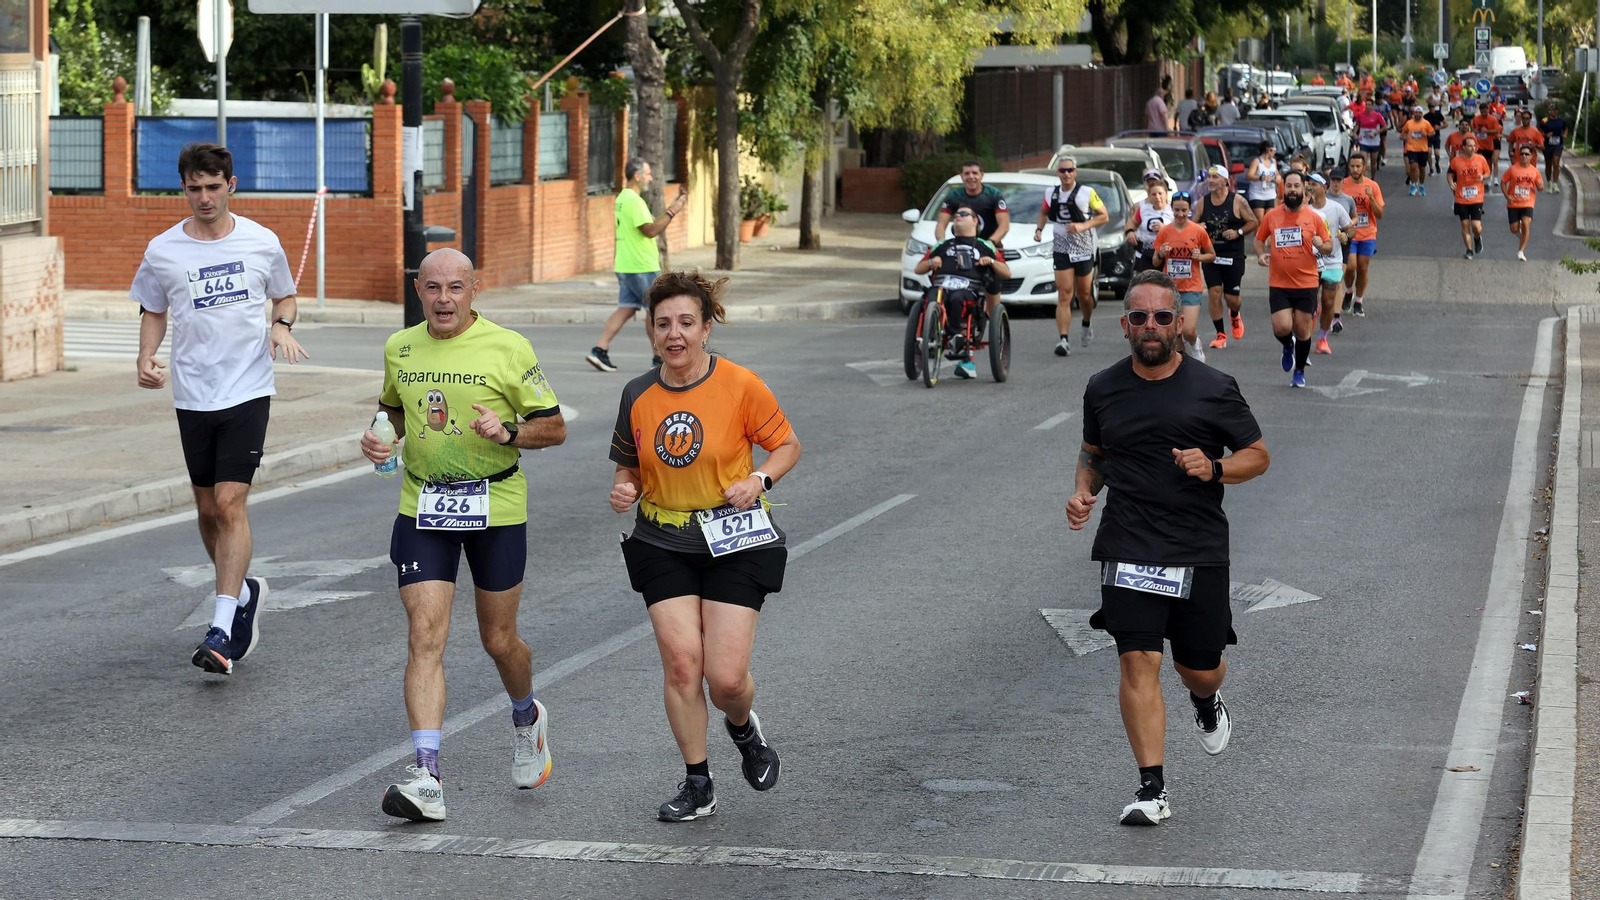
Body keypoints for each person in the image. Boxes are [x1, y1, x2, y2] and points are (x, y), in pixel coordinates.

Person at [361, 247, 568, 822]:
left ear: (474, 289)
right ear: (418, 291)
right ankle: (426, 776)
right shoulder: (400, 348)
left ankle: (527, 716)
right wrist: (382, 436)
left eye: (456, 288)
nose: (444, 299)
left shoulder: (508, 348)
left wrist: (507, 432)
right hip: (425, 503)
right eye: (433, 288)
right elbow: (393, 411)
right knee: (425, 633)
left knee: (499, 641)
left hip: (496, 505)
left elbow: (554, 429)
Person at [1067, 268, 1270, 826]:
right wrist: (1084, 492)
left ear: (1180, 323)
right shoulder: (1102, 387)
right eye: (1139, 317)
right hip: (1128, 542)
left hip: (1198, 548)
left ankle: (1206, 701)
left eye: (1163, 316)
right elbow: (1095, 453)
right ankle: (1151, 788)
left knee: (1198, 667)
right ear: (1124, 325)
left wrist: (1217, 466)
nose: (1151, 326)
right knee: (1137, 659)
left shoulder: (1213, 387)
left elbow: (1258, 455)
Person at [609, 270, 802, 822]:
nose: (675, 334)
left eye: (686, 323)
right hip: (661, 538)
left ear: (707, 327)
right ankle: (699, 783)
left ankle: (743, 728)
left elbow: (787, 444)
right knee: (679, 665)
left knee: (726, 678)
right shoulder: (637, 393)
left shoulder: (740, 385)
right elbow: (630, 463)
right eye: (663, 323)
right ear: (650, 331)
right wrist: (625, 487)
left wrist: (760, 480)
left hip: (732, 537)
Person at [131, 142, 308, 676]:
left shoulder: (261, 240)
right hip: (193, 393)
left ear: (231, 185)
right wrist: (145, 355)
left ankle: (222, 627)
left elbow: (286, 297)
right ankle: (244, 589)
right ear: (182, 188)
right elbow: (153, 308)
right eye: (194, 188)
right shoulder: (163, 250)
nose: (204, 197)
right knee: (208, 510)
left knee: (231, 504)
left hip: (249, 389)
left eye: (213, 187)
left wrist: (281, 325)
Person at [587, 157, 687, 373]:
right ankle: (658, 357)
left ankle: (599, 349)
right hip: (640, 266)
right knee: (655, 309)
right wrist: (673, 210)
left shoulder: (623, 198)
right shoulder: (633, 201)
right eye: (648, 174)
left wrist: (672, 208)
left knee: (627, 307)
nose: (651, 178)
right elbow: (650, 230)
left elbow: (649, 224)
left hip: (626, 264)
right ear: (637, 175)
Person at [1253, 170, 1330, 388]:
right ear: (1283, 188)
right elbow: (1259, 240)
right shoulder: (1272, 216)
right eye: (1289, 186)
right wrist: (1260, 255)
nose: (1293, 190)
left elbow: (1329, 245)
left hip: (1307, 283)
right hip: (1279, 282)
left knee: (1303, 329)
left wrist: (1320, 244)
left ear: (1303, 189)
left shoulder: (1314, 218)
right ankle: (1288, 346)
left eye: (1297, 186)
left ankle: (1299, 371)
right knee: (1281, 327)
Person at [917, 205, 1012, 378]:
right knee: (933, 295)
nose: (958, 216)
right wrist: (932, 262)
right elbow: (918, 269)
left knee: (958, 298)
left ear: (975, 221)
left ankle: (955, 338)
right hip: (941, 285)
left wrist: (990, 261)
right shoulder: (941, 245)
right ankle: (926, 337)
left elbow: (1006, 272)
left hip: (969, 288)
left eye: (963, 214)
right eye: (956, 214)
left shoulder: (986, 246)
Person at [1035, 156, 1109, 358]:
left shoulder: (1087, 193)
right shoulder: (1051, 192)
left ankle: (1086, 323)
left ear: (1075, 172)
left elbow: (1104, 216)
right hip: (1061, 248)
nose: (1066, 174)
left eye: (1070, 170)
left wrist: (1083, 226)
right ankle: (1063, 339)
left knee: (1084, 295)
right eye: (1062, 171)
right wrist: (1039, 229)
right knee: (1064, 293)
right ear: (1058, 173)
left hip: (1082, 247)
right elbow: (1043, 212)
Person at [936, 160, 1011, 317]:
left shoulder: (993, 195)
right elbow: (941, 224)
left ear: (981, 175)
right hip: (962, 245)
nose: (971, 177)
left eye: (975, 173)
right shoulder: (954, 196)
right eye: (967, 173)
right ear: (962, 177)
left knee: (993, 283)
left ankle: (992, 317)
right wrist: (941, 243)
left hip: (988, 245)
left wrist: (989, 243)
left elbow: (1004, 225)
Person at [1197, 164, 1258, 351]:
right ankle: (1220, 335)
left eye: (1215, 177)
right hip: (1211, 254)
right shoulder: (1203, 202)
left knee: (1231, 298)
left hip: (1233, 255)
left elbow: (1254, 221)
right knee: (1214, 293)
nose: (1211, 181)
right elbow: (1192, 225)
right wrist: (1200, 226)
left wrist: (1238, 231)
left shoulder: (1237, 201)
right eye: (1209, 177)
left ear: (1225, 181)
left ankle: (1235, 314)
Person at [1150, 192, 1216, 361]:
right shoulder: (1165, 232)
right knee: (1174, 331)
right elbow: (1155, 261)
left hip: (1191, 287)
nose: (1180, 214)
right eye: (1177, 210)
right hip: (1170, 288)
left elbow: (1212, 255)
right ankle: (1184, 364)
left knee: (1187, 330)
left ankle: (1195, 344)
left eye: (1184, 210)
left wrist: (1199, 257)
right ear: (1171, 209)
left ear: (1190, 210)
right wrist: (1161, 254)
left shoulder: (1198, 231)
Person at [1305, 173, 1353, 355]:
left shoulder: (1337, 208)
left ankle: (1322, 339)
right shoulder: (1304, 209)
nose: (1310, 187)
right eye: (1308, 184)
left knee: (1328, 302)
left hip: (1332, 262)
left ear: (1324, 188)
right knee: (1309, 304)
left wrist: (1345, 236)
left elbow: (1351, 230)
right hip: (1310, 262)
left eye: (1314, 184)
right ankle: (1305, 338)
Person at [1342, 154, 1384, 317]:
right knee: (1351, 267)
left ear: (1364, 167)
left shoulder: (1372, 186)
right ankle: (1348, 291)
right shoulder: (1343, 185)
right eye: (1352, 166)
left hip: (1368, 233)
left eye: (1358, 166)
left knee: (1363, 268)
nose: (1355, 170)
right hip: (1349, 233)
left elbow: (1380, 214)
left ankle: (1358, 300)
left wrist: (1371, 198)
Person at [1323, 168, 1357, 334]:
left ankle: (1336, 317)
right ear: (1329, 182)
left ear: (1344, 182)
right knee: (1319, 284)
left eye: (1339, 180)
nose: (1336, 183)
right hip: (1321, 246)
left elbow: (1353, 221)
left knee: (1337, 282)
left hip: (1341, 245)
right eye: (1333, 180)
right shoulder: (1322, 199)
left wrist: (1346, 234)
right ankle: (1320, 311)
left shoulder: (1348, 200)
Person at [1501, 145, 1545, 261]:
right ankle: (1522, 232)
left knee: (1526, 223)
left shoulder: (1534, 171)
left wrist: (1540, 186)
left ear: (1531, 156)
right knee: (1514, 229)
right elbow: (1503, 182)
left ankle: (1521, 251)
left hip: (1528, 202)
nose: (1524, 156)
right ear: (1518, 156)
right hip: (1514, 203)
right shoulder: (1512, 169)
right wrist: (1507, 196)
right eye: (1522, 154)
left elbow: (1540, 186)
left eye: (1526, 154)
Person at [1448, 135, 1490, 260]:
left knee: (1476, 226)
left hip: (1477, 197)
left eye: (1474, 146)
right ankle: (1469, 250)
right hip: (1461, 197)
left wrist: (1483, 177)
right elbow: (1450, 174)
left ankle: (1477, 238)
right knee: (1465, 224)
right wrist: (1451, 183)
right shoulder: (1456, 161)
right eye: (1470, 146)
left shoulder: (1481, 159)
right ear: (1464, 147)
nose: (1472, 148)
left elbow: (1488, 172)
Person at [1124, 171, 1173, 274]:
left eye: (1160, 193)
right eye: (1154, 194)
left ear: (1166, 194)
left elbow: (1183, 229)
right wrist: (1130, 232)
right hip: (1146, 252)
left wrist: (1165, 228)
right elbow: (1131, 223)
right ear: (1149, 196)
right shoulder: (1142, 209)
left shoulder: (1173, 210)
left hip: (1166, 253)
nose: (1157, 197)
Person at [1401, 107, 1435, 195]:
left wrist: (1426, 134)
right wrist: (1405, 137)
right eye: (1416, 112)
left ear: (1422, 114)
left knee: (1422, 168)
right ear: (1414, 114)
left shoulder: (1426, 123)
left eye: (1419, 113)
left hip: (1423, 149)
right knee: (1413, 167)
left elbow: (1432, 133)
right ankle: (1413, 185)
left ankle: (1421, 185)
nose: (1418, 114)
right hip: (1411, 148)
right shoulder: (1409, 123)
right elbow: (1402, 134)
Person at [1471, 103, 1504, 186]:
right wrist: (1476, 130)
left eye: (1485, 112)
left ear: (1488, 110)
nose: (1483, 114)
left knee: (1489, 162)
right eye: (1482, 112)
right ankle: (1479, 176)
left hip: (1489, 144)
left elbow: (1496, 131)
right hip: (1479, 143)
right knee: (1479, 160)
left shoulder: (1492, 119)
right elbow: (1473, 129)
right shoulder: (1476, 118)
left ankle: (1488, 177)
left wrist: (1487, 131)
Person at [1245, 141, 1279, 214]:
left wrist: (1277, 178)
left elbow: (1277, 174)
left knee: (1270, 218)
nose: (1275, 153)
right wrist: (1260, 178)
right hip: (1257, 195)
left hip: (1271, 194)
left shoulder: (1273, 161)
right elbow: (1249, 176)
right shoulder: (1257, 161)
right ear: (1269, 150)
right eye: (1274, 150)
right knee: (1261, 221)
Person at [1540, 100, 1567, 193]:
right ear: (1549, 111)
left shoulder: (1561, 120)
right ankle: (1549, 183)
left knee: (1556, 163)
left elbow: (1565, 128)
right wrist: (1545, 135)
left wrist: (1565, 134)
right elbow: (1540, 131)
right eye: (1552, 110)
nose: (1554, 111)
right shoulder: (1544, 120)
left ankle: (1555, 184)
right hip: (1547, 145)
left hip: (1558, 145)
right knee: (1548, 165)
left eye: (1556, 110)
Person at [1353, 101, 1386, 174]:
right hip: (1363, 141)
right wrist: (1355, 133)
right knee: (1363, 162)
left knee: (1373, 165)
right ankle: (1365, 181)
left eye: (1369, 105)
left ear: (1372, 106)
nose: (1368, 106)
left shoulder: (1377, 115)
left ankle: (1372, 179)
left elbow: (1384, 127)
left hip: (1374, 142)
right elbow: (1357, 125)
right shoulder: (1360, 115)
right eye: (1366, 105)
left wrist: (1375, 133)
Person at [1425, 102, 1448, 174]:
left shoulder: (1438, 114)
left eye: (1433, 107)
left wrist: (1439, 127)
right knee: (1429, 152)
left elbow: (1446, 124)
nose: (1432, 109)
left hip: (1436, 136)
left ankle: (1437, 163)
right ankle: (1431, 168)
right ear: (1429, 108)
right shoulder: (1426, 116)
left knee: (1437, 153)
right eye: (1430, 107)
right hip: (1428, 136)